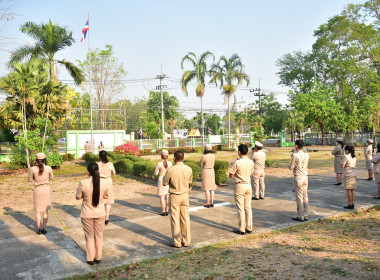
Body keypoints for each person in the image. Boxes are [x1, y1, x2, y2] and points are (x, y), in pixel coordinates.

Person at [76, 163, 108, 265]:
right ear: (98, 171)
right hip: (100, 213)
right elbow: (106, 196)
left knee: (89, 236)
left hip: (87, 213)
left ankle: (90, 259)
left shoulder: (83, 183)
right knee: (99, 235)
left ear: (88, 172)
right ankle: (98, 258)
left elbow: (78, 197)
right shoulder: (104, 182)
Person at [163, 150, 193, 248]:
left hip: (175, 195)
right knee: (185, 218)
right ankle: (186, 241)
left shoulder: (171, 169)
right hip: (185, 195)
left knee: (175, 219)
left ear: (174, 158)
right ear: (183, 158)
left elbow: (164, 182)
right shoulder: (188, 169)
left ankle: (177, 241)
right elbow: (190, 181)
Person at [229, 144, 254, 235]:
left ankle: (241, 228)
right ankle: (249, 227)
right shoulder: (250, 161)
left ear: (239, 152)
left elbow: (231, 175)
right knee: (248, 207)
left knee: (241, 208)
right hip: (248, 185)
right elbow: (251, 174)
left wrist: (236, 174)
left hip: (240, 185)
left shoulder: (237, 162)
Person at [28, 153, 54, 235]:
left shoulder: (33, 169)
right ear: (45, 160)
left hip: (37, 190)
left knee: (38, 211)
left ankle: (39, 228)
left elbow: (29, 180)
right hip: (46, 189)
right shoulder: (48, 168)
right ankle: (44, 228)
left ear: (36, 160)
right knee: (45, 211)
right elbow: (52, 178)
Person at [289, 140, 310, 222]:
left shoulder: (295, 155)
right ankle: (306, 214)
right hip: (305, 177)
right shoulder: (306, 155)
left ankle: (300, 216)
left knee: (299, 198)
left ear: (296, 146)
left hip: (298, 177)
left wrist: (292, 157)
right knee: (305, 197)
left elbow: (291, 167)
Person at [97, 150, 116, 225]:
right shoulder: (110, 164)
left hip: (100, 181)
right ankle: (106, 218)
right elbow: (113, 173)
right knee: (108, 201)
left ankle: (100, 217)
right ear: (106, 156)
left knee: (100, 200)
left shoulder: (97, 164)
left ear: (99, 156)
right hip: (108, 181)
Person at [154, 149, 172, 216]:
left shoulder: (159, 164)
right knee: (167, 195)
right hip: (168, 179)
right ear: (167, 156)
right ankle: (167, 210)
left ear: (161, 156)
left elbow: (156, 173)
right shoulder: (170, 163)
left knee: (162, 196)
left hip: (161, 178)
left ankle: (163, 211)